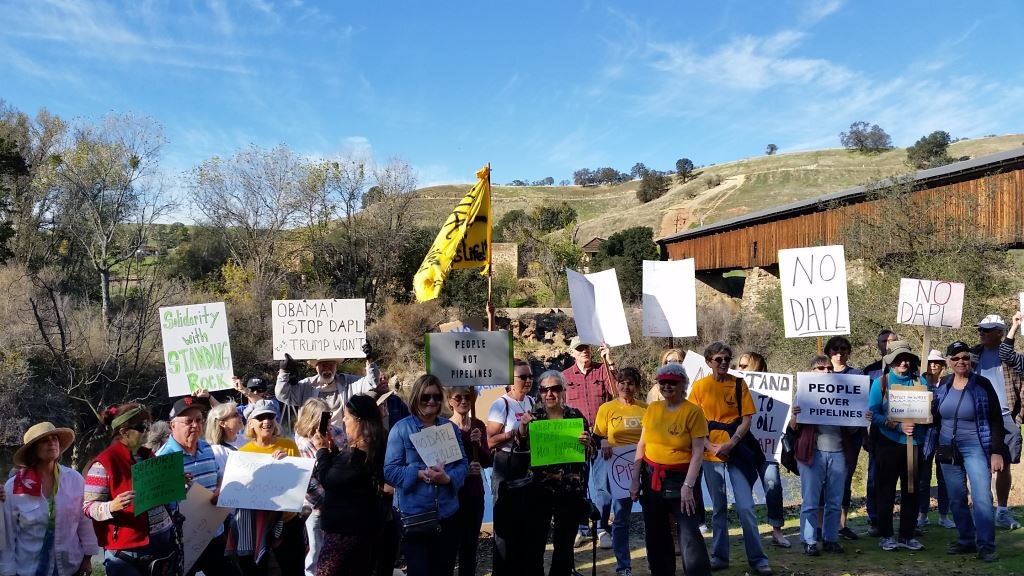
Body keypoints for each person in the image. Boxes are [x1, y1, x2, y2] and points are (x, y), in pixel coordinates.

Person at [689, 342, 772, 575]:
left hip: (736, 450)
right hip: (708, 453)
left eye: (727, 358)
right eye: (718, 359)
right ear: (709, 362)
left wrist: (731, 443)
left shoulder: (739, 384)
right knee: (718, 508)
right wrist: (709, 445)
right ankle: (720, 556)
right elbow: (694, 421)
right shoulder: (699, 386)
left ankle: (758, 559)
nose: (724, 362)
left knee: (746, 507)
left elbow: (747, 419)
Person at [925, 341, 1005, 562]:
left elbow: (996, 419)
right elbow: (933, 415)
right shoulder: (944, 386)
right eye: (956, 358)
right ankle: (966, 539)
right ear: (949, 362)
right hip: (947, 447)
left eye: (965, 358)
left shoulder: (982, 385)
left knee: (982, 497)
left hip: (976, 447)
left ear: (970, 360)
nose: (961, 361)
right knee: (957, 497)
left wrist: (997, 451)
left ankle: (987, 545)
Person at [630, 363, 711, 576]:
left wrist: (688, 486)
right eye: (663, 382)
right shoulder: (653, 409)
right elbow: (642, 444)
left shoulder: (693, 412)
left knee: (689, 532)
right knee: (656, 532)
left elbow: (698, 453)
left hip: (681, 477)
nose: (667, 386)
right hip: (651, 476)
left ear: (683, 384)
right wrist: (634, 479)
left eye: (672, 382)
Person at [384, 374, 468, 576]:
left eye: (437, 397)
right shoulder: (400, 429)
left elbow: (463, 463)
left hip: (447, 515)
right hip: (416, 518)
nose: (432, 401)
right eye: (426, 397)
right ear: (416, 398)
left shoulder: (450, 428)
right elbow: (390, 471)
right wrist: (419, 474)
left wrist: (448, 479)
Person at [84, 404, 177, 576]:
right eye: (142, 427)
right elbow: (88, 507)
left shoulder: (148, 455)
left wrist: (175, 482)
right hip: (128, 549)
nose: (148, 431)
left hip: (162, 540)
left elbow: (159, 493)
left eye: (149, 426)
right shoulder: (104, 463)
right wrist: (112, 506)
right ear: (124, 432)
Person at [518, 370, 593, 576]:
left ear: (563, 391)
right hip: (538, 490)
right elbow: (520, 446)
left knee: (565, 545)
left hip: (570, 491)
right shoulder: (533, 417)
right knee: (535, 543)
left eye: (555, 389)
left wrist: (587, 444)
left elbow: (589, 452)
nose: (549, 394)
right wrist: (523, 427)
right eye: (544, 389)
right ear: (540, 393)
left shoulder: (576, 416)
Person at [157, 397, 240, 576]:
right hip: (184, 541)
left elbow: (218, 475)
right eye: (188, 421)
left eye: (199, 420)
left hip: (214, 533)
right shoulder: (163, 459)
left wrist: (219, 490)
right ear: (173, 426)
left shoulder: (206, 448)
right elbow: (159, 503)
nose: (195, 425)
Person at [2, 422, 98, 576]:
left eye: (55, 439)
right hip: (28, 570)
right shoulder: (13, 487)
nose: (52, 443)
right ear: (33, 450)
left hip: (69, 568)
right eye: (45, 440)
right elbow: (7, 536)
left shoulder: (74, 479)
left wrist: (88, 557)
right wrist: (7, 571)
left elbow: (85, 521)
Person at [790, 355, 861, 556]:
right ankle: (810, 540)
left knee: (834, 501)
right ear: (811, 372)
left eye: (829, 368)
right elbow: (793, 427)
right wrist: (795, 416)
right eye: (820, 368)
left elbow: (853, 431)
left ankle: (831, 539)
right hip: (812, 455)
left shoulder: (845, 393)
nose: (826, 371)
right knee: (811, 501)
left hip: (839, 453)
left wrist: (862, 418)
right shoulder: (802, 394)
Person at [313, 394, 387, 576]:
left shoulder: (356, 454)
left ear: (359, 421)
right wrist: (332, 451)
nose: (344, 421)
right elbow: (344, 478)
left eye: (346, 417)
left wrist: (322, 451)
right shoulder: (376, 447)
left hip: (344, 536)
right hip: (365, 532)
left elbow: (329, 479)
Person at [868, 341, 928, 551]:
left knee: (911, 490)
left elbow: (928, 411)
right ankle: (886, 535)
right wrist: (896, 426)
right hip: (888, 445)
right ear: (890, 361)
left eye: (907, 358)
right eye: (898, 358)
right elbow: (872, 414)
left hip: (914, 445)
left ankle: (907, 535)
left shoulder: (920, 381)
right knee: (885, 491)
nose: (903, 362)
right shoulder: (881, 383)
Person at [233, 399, 305, 575]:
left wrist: (287, 463)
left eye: (271, 416)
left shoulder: (289, 446)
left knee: (293, 569)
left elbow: (301, 482)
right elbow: (239, 493)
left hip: (288, 521)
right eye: (261, 417)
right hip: (258, 524)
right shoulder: (243, 454)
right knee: (258, 570)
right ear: (251, 423)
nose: (267, 421)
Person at [562, 336, 618, 548]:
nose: (584, 350)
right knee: (578, 486)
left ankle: (603, 528)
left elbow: (616, 392)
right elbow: (560, 407)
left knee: (603, 486)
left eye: (586, 347)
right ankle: (582, 529)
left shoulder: (602, 369)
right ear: (572, 353)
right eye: (579, 348)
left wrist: (609, 361)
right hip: (576, 438)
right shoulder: (565, 376)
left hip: (601, 437)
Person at [594, 367, 647, 576]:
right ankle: (623, 566)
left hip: (645, 467)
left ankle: (655, 560)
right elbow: (597, 436)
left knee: (651, 517)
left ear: (637, 386)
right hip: (619, 471)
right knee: (621, 519)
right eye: (622, 382)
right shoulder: (606, 409)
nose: (626, 387)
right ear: (616, 384)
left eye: (631, 383)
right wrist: (604, 440)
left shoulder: (647, 408)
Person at [974, 313, 1023, 529]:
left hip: (1005, 417)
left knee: (1004, 466)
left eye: (987, 330)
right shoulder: (972, 355)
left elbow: (1006, 352)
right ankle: (982, 511)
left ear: (999, 333)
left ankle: (1002, 511)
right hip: (978, 417)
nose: (982, 333)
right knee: (977, 464)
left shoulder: (1012, 357)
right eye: (980, 330)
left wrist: (1019, 416)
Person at [735, 351, 789, 548]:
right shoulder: (733, 388)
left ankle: (777, 530)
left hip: (767, 448)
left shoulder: (775, 388)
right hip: (742, 447)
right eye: (738, 365)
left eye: (744, 365)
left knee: (773, 485)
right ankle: (749, 531)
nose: (739, 369)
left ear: (756, 366)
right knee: (742, 490)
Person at [487, 358, 536, 575]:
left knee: (525, 521)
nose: (527, 381)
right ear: (510, 380)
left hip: (526, 464)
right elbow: (489, 441)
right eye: (522, 377)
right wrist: (514, 432)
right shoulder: (501, 404)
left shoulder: (532, 402)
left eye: (530, 376)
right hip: (505, 465)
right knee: (504, 525)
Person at [293, 398, 347, 576]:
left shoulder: (336, 432)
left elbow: (345, 461)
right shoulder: (301, 442)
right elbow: (308, 478)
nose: (326, 422)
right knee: (316, 549)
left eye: (328, 417)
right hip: (316, 505)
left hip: (339, 501)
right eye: (322, 418)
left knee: (336, 548)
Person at [822, 336, 865, 541]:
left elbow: (863, 404)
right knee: (822, 481)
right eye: (835, 349)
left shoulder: (857, 375)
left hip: (850, 437)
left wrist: (857, 426)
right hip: (824, 437)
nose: (839, 353)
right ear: (828, 351)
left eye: (844, 349)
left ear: (849, 352)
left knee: (844, 480)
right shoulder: (819, 373)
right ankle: (822, 524)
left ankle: (841, 524)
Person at [447, 386, 492, 576]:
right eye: (458, 398)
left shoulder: (478, 425)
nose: (464, 401)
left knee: (470, 547)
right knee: (449, 547)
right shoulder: (444, 427)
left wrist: (479, 443)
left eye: (468, 397)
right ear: (450, 401)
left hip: (474, 493)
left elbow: (487, 461)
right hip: (452, 495)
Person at [276, 345, 380, 424]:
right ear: (316, 367)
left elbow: (371, 383)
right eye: (323, 365)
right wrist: (283, 371)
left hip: (343, 444)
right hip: (312, 446)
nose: (327, 369)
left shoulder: (349, 382)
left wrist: (370, 361)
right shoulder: (306, 385)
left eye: (330, 365)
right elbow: (283, 395)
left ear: (336, 366)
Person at [862, 329, 898, 536]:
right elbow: (861, 408)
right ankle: (875, 519)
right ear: (878, 345)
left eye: (892, 340)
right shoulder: (869, 372)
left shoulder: (910, 370)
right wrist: (864, 435)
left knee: (905, 476)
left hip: (905, 434)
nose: (888, 343)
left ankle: (904, 522)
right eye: (884, 341)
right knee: (875, 478)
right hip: (877, 433)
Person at [917, 349, 953, 529]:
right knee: (923, 474)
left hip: (944, 431)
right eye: (930, 362)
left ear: (943, 365)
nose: (933, 365)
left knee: (944, 474)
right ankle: (922, 513)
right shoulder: (918, 382)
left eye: (937, 362)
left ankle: (943, 515)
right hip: (924, 432)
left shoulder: (949, 383)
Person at [206, 401, 244, 473]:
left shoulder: (246, 439)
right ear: (223, 423)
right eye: (235, 415)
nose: (240, 416)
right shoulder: (216, 450)